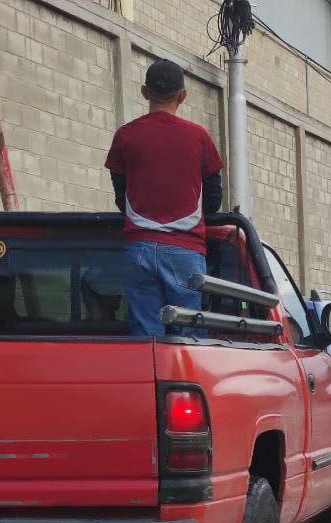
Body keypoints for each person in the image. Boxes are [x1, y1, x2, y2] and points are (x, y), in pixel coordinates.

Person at [106, 59, 224, 338]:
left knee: (146, 337)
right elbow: (213, 197)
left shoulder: (125, 136)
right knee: (190, 337)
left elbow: (120, 193)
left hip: (139, 248)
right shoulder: (199, 137)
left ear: (145, 92)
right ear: (182, 96)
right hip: (186, 250)